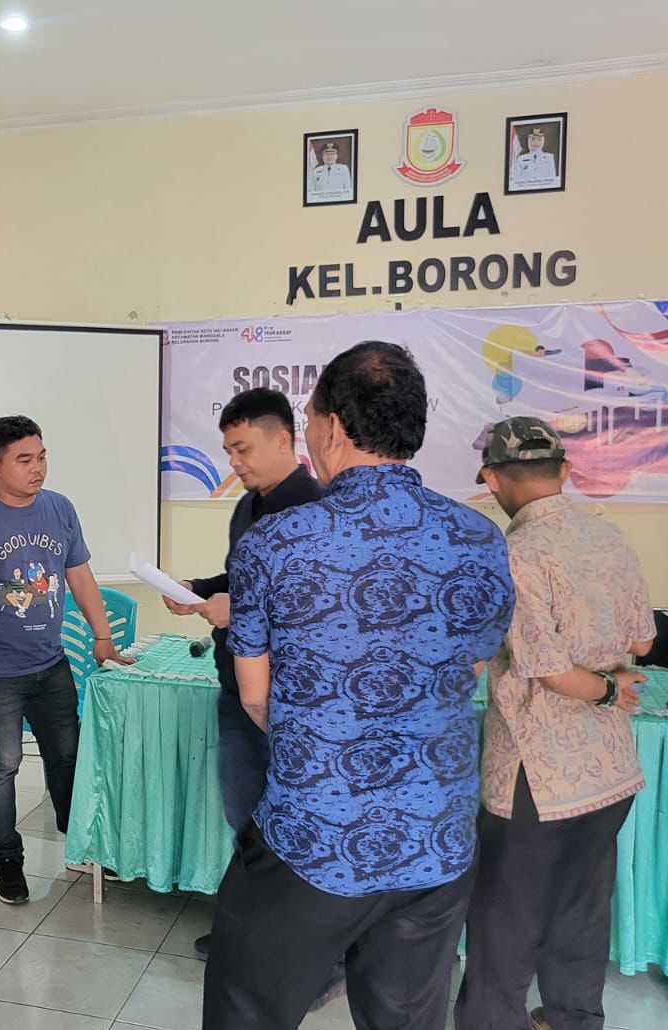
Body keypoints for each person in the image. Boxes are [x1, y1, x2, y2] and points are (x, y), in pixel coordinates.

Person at [204, 341, 515, 1029]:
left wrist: (329, 737)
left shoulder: (276, 542)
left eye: (311, 416)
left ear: (334, 427)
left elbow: (255, 695)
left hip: (313, 837)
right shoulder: (480, 539)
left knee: (246, 1009)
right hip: (436, 840)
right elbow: (466, 671)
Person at [456, 417, 657, 1030]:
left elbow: (548, 671)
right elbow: (643, 643)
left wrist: (601, 688)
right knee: (581, 909)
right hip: (609, 770)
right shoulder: (608, 536)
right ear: (565, 471)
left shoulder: (515, 553)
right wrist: (613, 681)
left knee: (504, 919)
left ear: (491, 479)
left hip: (536, 776)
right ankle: (573, 1019)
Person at [161, 390, 327, 974]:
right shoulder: (248, 505)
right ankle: (252, 929)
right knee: (247, 817)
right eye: (228, 450)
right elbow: (242, 579)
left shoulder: (315, 509)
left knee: (291, 824)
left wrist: (238, 611)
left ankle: (299, 944)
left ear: (284, 439)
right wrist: (200, 590)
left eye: (243, 449)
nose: (234, 462)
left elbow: (317, 610)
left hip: (288, 697)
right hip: (236, 686)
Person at [0, 415, 129, 904]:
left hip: (51, 664)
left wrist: (102, 635)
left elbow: (80, 576)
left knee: (67, 756)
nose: (37, 468)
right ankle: (6, 858)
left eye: (41, 457)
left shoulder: (59, 508)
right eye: (24, 460)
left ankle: (80, 842)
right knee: (2, 766)